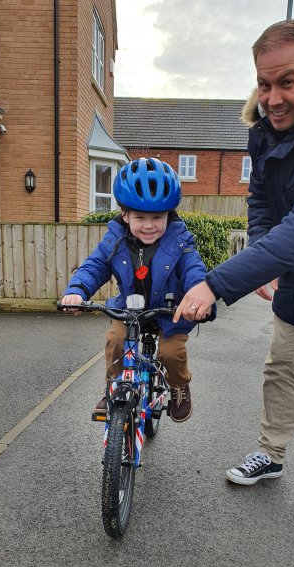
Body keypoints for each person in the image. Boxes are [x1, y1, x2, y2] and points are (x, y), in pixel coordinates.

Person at [173, 18, 294, 515]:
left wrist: (217, 284)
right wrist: (262, 253)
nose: (273, 97)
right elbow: (259, 201)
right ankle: (271, 456)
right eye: (264, 83)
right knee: (281, 368)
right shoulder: (262, 133)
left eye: (287, 82)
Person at [61, 157, 215, 423]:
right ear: (125, 215)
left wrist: (200, 298)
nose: (149, 225)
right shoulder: (115, 239)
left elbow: (194, 271)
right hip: (129, 310)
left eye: (157, 217)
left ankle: (179, 386)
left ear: (169, 215)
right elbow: (95, 266)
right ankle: (113, 386)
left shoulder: (180, 241)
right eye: (140, 217)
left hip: (170, 313)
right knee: (116, 340)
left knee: (170, 353)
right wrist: (77, 290)